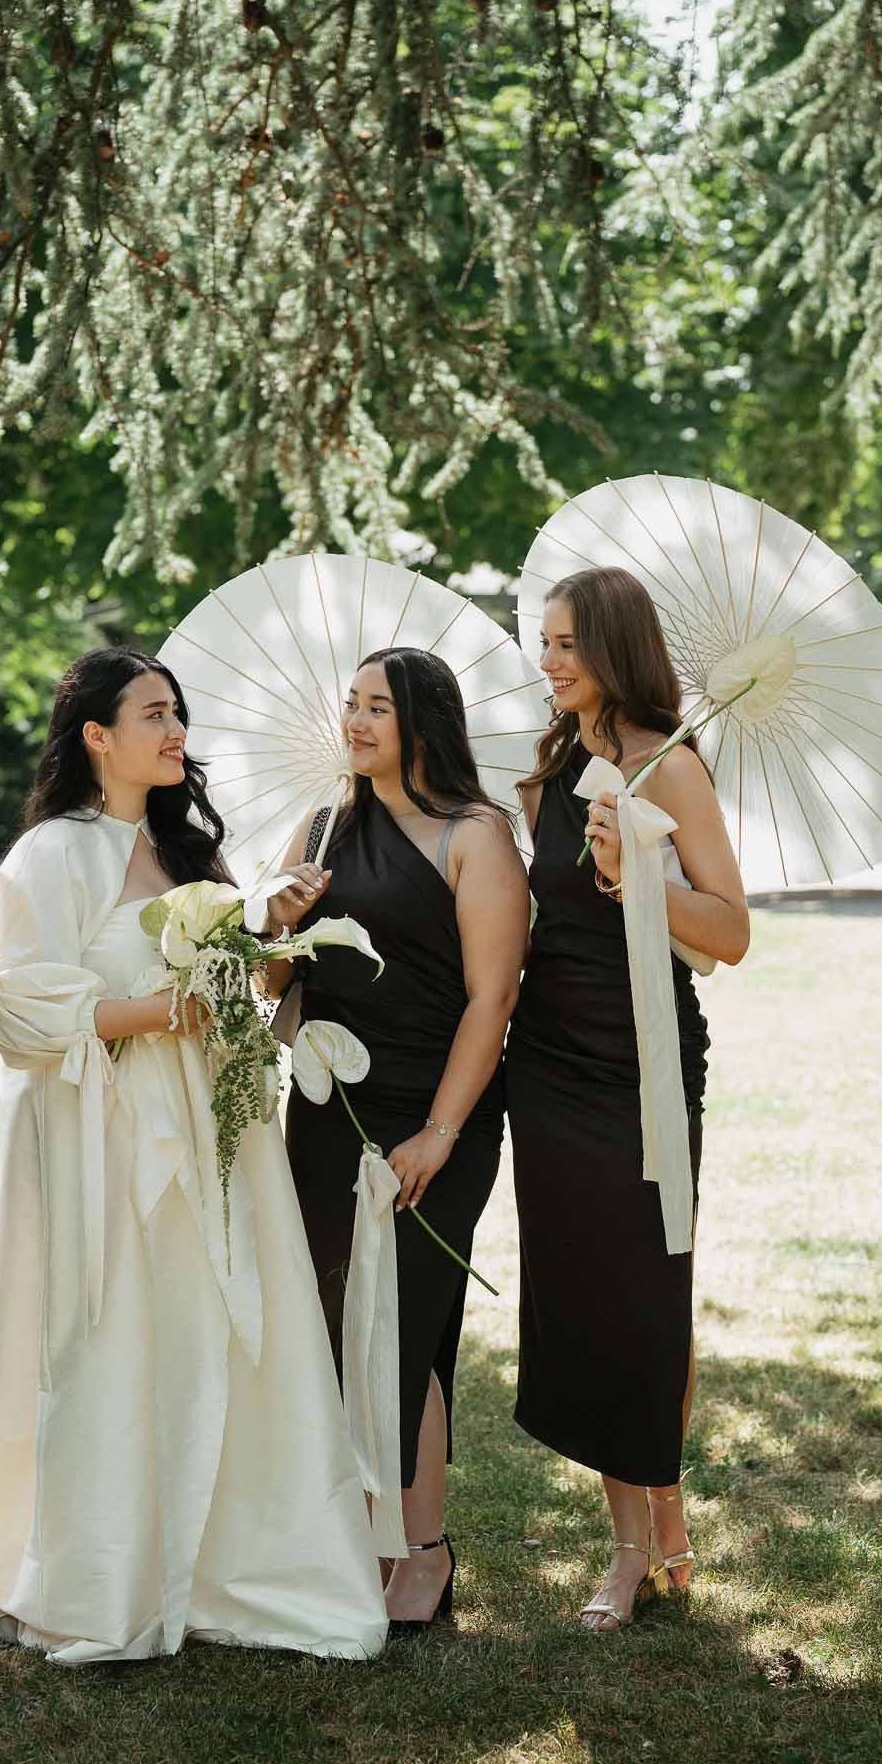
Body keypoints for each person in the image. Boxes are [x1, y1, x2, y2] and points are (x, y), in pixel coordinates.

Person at [0, 646, 388, 1663]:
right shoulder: (49, 856)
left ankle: (229, 1550)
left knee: (208, 1325)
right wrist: (162, 1007)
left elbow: (232, 988)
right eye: (152, 714)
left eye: (178, 714)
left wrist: (262, 933)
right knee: (108, 1331)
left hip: (210, 1128)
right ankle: (100, 1556)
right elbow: (22, 1007)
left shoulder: (190, 848)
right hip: (94, 1132)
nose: (174, 732)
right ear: (96, 735)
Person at [507, 565, 749, 1632]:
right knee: (582, 1289)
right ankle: (626, 1538)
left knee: (651, 1285)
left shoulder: (674, 769)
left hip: (642, 1060)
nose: (549, 659)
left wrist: (634, 874)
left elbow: (731, 934)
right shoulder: (552, 770)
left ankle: (668, 1514)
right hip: (547, 1059)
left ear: (613, 647)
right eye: (545, 642)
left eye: (565, 642)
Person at [277, 649, 529, 1632]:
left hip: (437, 1112)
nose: (357, 719)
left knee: (409, 1324)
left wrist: (439, 1130)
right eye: (350, 702)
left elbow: (493, 994)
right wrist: (280, 925)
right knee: (335, 1318)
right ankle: (350, 1536)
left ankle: (424, 1550)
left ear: (426, 719)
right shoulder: (321, 825)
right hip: (326, 1106)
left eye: (377, 705)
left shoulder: (476, 834)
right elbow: (276, 992)